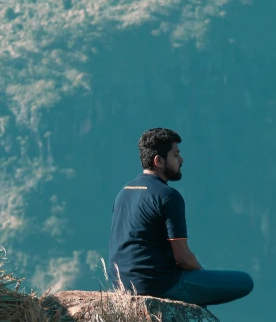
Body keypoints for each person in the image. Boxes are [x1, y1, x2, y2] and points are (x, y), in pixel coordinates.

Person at [107, 127, 254, 307]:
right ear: (158, 161)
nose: (181, 160)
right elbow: (183, 258)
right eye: (176, 155)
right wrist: (201, 272)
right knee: (245, 281)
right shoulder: (167, 196)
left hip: (122, 284)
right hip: (157, 285)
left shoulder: (124, 191)